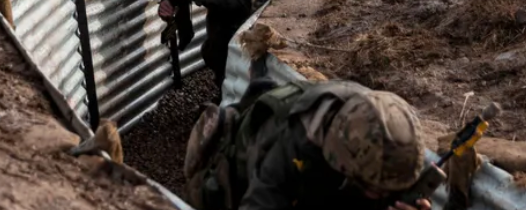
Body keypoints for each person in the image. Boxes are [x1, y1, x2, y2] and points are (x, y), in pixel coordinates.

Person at [184, 77, 432, 210]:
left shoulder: (378, 139)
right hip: (236, 179)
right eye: (376, 190)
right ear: (341, 161)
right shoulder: (292, 141)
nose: (381, 196)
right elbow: (260, 201)